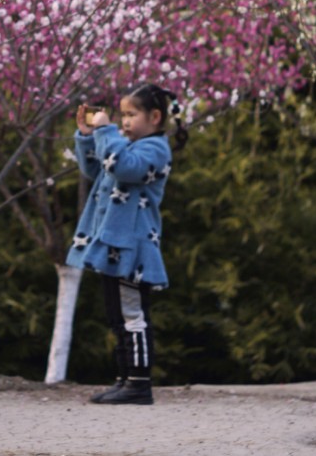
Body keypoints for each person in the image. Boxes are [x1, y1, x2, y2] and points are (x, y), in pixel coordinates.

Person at [68, 83, 188, 405]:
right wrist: (88, 137)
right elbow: (97, 168)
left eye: (131, 114)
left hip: (132, 249)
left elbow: (122, 167)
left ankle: (139, 384)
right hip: (113, 246)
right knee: (118, 317)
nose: (124, 121)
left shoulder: (155, 150)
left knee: (133, 315)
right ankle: (125, 379)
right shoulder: (126, 146)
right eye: (122, 115)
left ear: (155, 117)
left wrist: (106, 131)